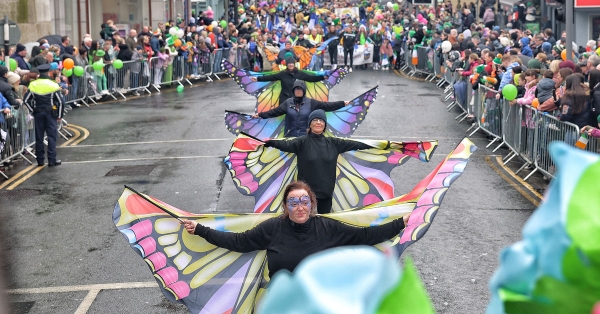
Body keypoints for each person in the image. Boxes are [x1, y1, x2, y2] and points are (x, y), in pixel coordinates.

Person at [182, 180, 410, 278]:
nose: (299, 207)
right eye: (293, 202)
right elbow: (237, 242)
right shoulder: (273, 228)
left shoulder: (327, 227)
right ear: (285, 206)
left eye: (304, 201)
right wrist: (200, 229)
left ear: (312, 204)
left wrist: (402, 223)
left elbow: (366, 236)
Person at [263, 110, 374, 214]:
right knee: (304, 221)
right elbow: (286, 145)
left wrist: (382, 145)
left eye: (321, 120)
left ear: (325, 125)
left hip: (326, 191)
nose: (318, 122)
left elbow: (357, 144)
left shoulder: (334, 143)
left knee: (324, 223)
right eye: (315, 120)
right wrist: (271, 142)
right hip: (305, 192)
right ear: (310, 124)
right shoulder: (302, 142)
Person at [252, 81, 350, 137]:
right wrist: (260, 115)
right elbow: (274, 112)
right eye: (296, 89)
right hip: (291, 137)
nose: (298, 91)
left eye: (300, 89)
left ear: (303, 90)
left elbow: (327, 106)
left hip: (306, 137)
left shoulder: (311, 102)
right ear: (293, 91)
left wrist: (342, 103)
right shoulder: (288, 102)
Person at [23, 64, 64, 167]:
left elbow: (26, 100)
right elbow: (60, 101)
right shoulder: (53, 84)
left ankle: (40, 160)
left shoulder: (33, 84)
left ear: (39, 73)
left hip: (38, 113)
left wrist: (33, 111)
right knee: (51, 136)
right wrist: (59, 115)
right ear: (48, 72)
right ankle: (51, 160)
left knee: (39, 137)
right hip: (50, 113)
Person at [250, 57, 327, 106]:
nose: (291, 65)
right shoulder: (283, 74)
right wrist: (258, 78)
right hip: (284, 100)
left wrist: (322, 77)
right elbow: (270, 77)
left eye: (292, 63)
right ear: (287, 65)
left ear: (294, 64)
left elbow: (311, 78)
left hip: (298, 99)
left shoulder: (300, 73)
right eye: (289, 64)